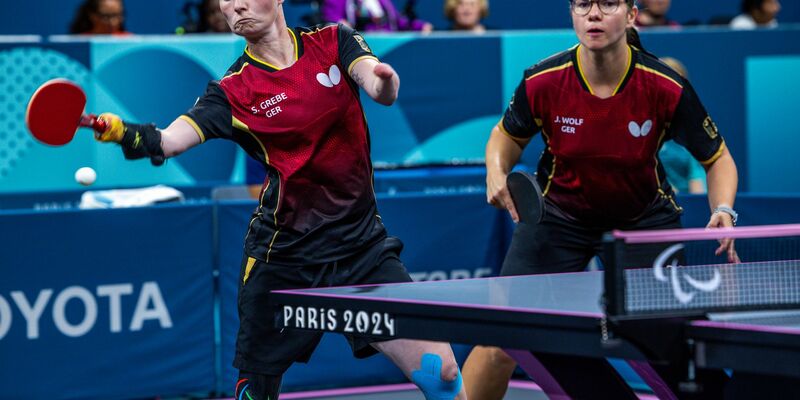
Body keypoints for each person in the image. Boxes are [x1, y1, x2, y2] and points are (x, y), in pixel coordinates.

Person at [92, 0, 466, 399]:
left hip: (361, 250)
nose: (234, 7)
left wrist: (384, 84)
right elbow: (168, 141)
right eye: (225, 0)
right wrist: (123, 133)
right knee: (256, 393)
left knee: (441, 373)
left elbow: (374, 82)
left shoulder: (332, 40)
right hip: (285, 259)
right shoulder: (232, 91)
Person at [461, 0, 739, 398]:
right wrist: (495, 170)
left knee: (667, 342)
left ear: (630, 15)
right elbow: (505, 136)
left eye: (608, 3)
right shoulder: (543, 80)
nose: (594, 13)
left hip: (642, 220)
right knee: (502, 338)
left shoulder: (664, 86)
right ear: (572, 13)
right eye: (582, 4)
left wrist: (724, 209)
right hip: (558, 218)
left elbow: (718, 158)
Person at [659, 57, 706, 194]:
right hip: (656, 203)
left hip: (688, 201)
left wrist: (696, 204)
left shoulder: (694, 122)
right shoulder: (643, 124)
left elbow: (697, 173)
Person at [321, 0, 433, 33]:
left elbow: (398, 21)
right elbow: (332, 18)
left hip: (390, 43)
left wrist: (421, 26)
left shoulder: (383, 1)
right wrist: (341, 24)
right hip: (361, 46)